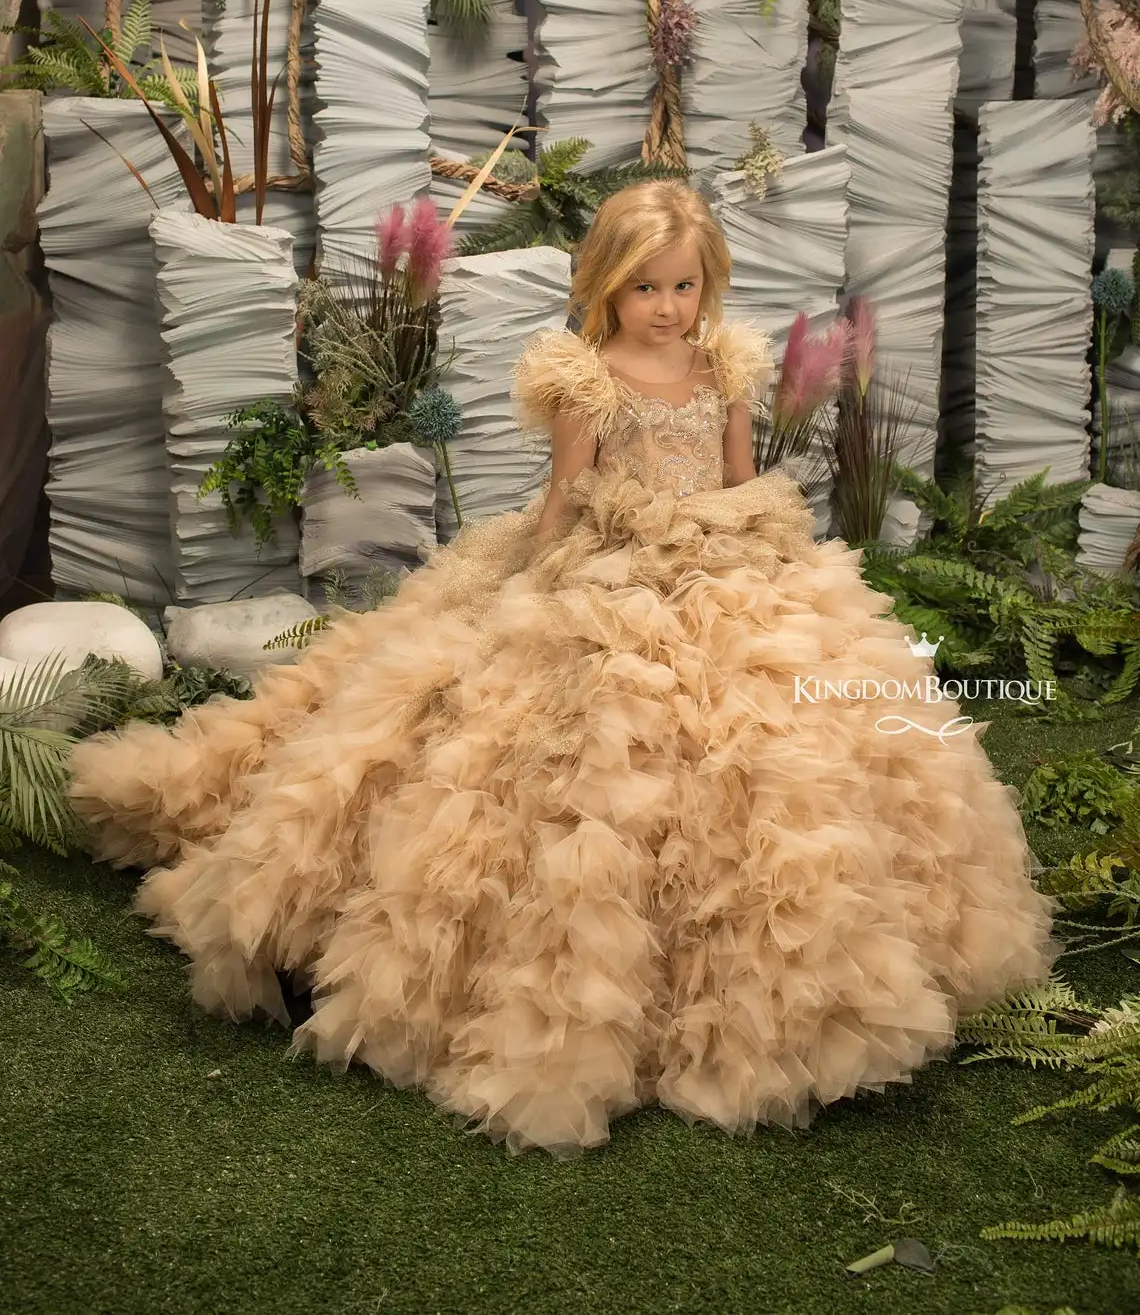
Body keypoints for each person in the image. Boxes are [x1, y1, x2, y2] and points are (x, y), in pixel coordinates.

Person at [70, 180, 1057, 1157]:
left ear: (706, 285)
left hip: (721, 561)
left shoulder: (724, 364)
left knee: (784, 741)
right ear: (606, 289)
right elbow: (566, 497)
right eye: (645, 290)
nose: (666, 308)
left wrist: (772, 555)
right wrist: (530, 584)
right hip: (607, 564)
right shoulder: (587, 378)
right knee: (558, 741)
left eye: (682, 286)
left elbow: (739, 474)